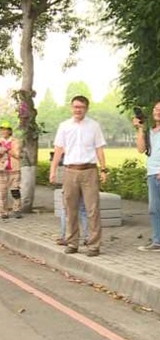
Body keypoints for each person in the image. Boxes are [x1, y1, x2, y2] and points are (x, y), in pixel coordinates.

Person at [49, 95, 107, 257]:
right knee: (70, 209)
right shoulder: (64, 126)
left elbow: (99, 149)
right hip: (70, 171)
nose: (78, 110)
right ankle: (72, 242)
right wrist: (53, 170)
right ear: (71, 108)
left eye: (81, 107)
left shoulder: (94, 126)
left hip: (89, 171)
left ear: (86, 109)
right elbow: (59, 149)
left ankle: (94, 245)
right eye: (75, 107)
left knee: (92, 209)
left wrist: (104, 169)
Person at [133, 101, 160, 251]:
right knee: (154, 209)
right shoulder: (150, 131)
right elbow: (141, 149)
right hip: (152, 173)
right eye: (156, 109)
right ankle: (157, 241)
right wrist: (140, 129)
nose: (157, 111)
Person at [0, 121, 23, 220]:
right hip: (1, 170)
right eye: (2, 129)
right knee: (1, 192)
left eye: (6, 129)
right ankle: (3, 212)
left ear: (10, 131)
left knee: (15, 190)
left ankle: (16, 209)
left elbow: (18, 155)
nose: (4, 131)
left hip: (14, 169)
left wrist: (7, 150)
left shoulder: (15, 141)